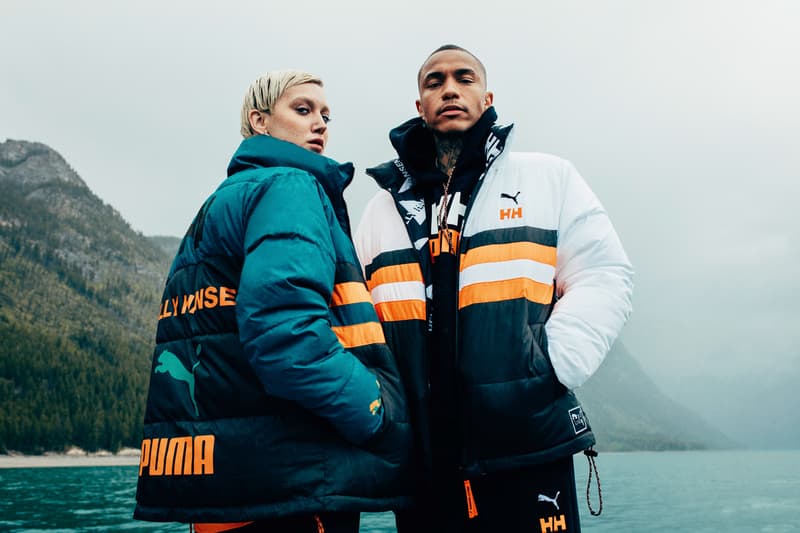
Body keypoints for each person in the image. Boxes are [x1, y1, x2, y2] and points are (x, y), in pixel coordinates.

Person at [354, 45, 634, 532]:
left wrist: (551, 365)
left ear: (487, 98)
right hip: (422, 460)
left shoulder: (547, 178)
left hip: (527, 447)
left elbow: (604, 272)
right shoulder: (381, 209)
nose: (449, 89)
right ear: (420, 105)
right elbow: (356, 313)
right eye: (435, 81)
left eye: (464, 78)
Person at [134, 69, 412, 533]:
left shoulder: (221, 202)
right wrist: (375, 411)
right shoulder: (289, 187)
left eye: (325, 115)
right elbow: (286, 338)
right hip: (292, 484)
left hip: (230, 488)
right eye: (302, 110)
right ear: (259, 121)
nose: (319, 124)